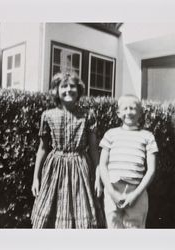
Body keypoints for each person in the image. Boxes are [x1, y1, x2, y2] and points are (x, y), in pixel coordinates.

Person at [31, 71, 104, 228]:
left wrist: (98, 177)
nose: (68, 90)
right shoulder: (48, 115)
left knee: (81, 214)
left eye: (72, 86)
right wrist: (35, 177)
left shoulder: (87, 115)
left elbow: (93, 149)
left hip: (80, 169)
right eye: (63, 86)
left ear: (78, 90)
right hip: (54, 169)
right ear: (56, 91)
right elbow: (42, 148)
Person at [99, 94, 158, 228]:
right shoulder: (110, 134)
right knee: (114, 230)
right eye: (125, 108)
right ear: (118, 113)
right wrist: (112, 192)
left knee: (134, 234)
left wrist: (135, 195)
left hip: (137, 191)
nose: (128, 112)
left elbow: (152, 170)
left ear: (140, 112)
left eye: (132, 108)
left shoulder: (147, 136)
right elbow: (102, 165)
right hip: (112, 189)